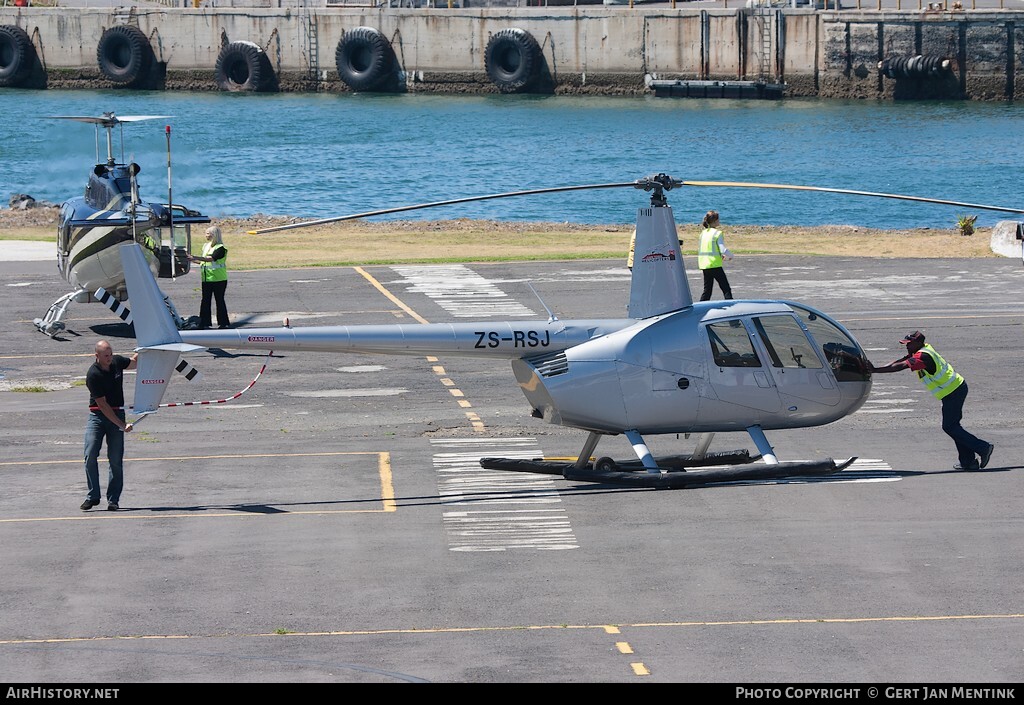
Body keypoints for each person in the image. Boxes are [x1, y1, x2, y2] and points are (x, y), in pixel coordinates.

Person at [869, 330, 994, 471]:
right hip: (951, 391)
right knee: (954, 427)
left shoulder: (923, 356)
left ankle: (983, 448)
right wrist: (876, 368)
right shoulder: (919, 351)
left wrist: (875, 370)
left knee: (950, 427)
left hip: (954, 391)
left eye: (909, 344)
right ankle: (968, 462)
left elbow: (901, 366)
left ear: (917, 343)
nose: (907, 346)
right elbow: (901, 361)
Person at [82, 340, 137, 511]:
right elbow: (103, 406)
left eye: (111, 354)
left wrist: (145, 348)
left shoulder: (117, 362)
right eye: (106, 356)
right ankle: (93, 496)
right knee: (90, 454)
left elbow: (134, 363)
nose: (109, 358)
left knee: (115, 459)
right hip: (98, 416)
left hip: (117, 413)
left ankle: (113, 500)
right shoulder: (93, 374)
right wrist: (122, 425)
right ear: (96, 356)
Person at [187, 225, 230, 329]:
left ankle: (223, 323)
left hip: (219, 279)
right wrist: (192, 260)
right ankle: (204, 322)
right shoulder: (206, 246)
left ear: (213, 235)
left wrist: (195, 257)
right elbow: (203, 262)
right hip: (207, 279)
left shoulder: (220, 248)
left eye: (207, 233)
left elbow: (211, 259)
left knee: (219, 300)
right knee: (205, 300)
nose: (205, 235)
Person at [697, 210, 734, 301]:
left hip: (704, 264)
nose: (719, 221)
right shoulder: (717, 233)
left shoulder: (703, 233)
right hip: (714, 264)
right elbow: (723, 249)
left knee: (707, 290)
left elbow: (708, 248)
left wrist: (719, 255)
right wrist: (731, 255)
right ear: (714, 221)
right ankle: (731, 307)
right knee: (726, 288)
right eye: (718, 219)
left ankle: (701, 308)